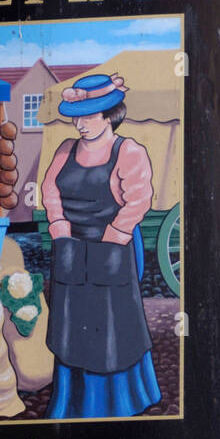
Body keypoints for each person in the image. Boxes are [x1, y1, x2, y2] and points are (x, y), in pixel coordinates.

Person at [40, 72, 162, 419]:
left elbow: (139, 199)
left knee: (110, 328)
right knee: (70, 325)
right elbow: (50, 190)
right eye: (76, 116)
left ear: (109, 115)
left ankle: (119, 401)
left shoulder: (129, 151)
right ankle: (70, 401)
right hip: (70, 249)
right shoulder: (66, 150)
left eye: (88, 116)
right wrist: (60, 227)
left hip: (111, 249)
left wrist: (115, 236)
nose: (79, 124)